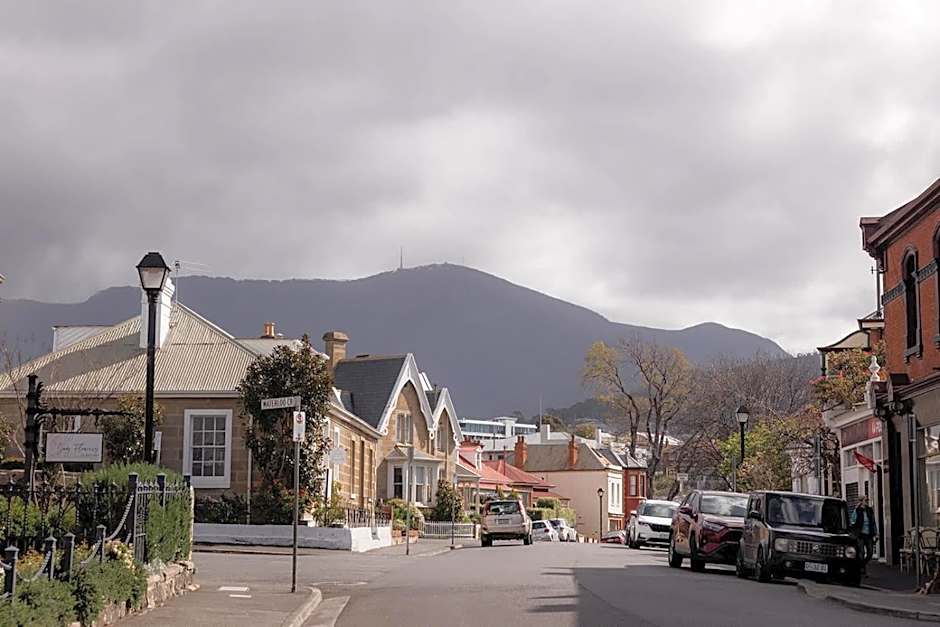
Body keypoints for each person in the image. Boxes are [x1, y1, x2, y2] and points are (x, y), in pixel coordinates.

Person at [851, 496, 878, 574]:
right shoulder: (857, 510)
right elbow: (852, 520)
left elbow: (873, 522)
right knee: (861, 552)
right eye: (865, 500)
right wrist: (854, 530)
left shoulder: (869, 510)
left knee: (870, 552)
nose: (867, 501)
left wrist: (875, 533)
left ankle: (862, 565)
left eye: (867, 500)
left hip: (869, 534)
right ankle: (863, 569)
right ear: (861, 501)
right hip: (860, 534)